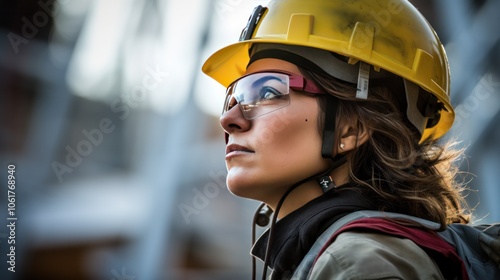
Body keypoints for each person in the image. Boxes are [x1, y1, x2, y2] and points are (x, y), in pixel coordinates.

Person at [202, 0, 484, 279]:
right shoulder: (357, 254)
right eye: (234, 97)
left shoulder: (355, 265)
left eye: (266, 93)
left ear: (351, 129)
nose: (228, 119)